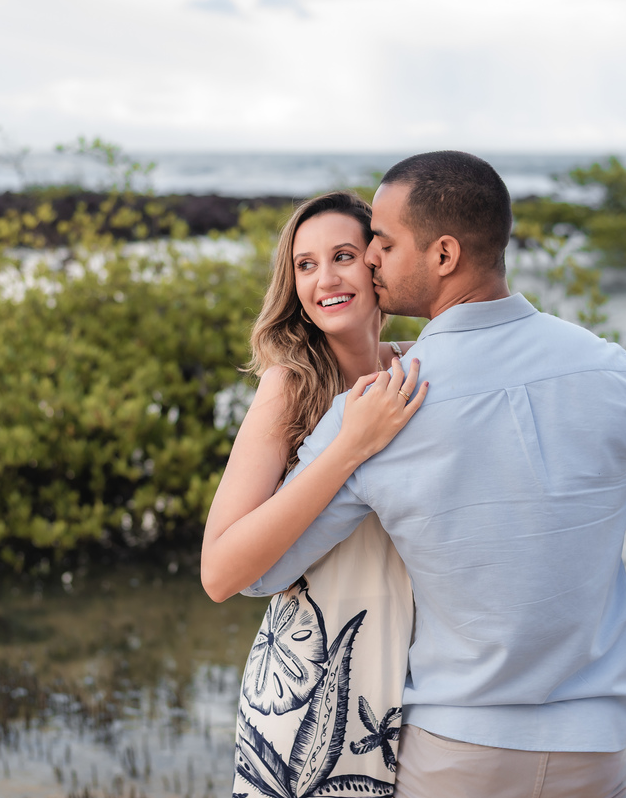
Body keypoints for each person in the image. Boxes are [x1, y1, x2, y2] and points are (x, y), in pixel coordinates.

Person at [244, 152, 626, 798]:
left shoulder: (381, 406)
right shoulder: (613, 370)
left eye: (383, 240)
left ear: (444, 255)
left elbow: (260, 572)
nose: (370, 256)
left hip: (457, 754)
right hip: (598, 746)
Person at [200, 191, 426, 797]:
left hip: (420, 700)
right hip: (309, 703)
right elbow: (219, 574)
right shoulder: (289, 388)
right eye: (304, 264)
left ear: (379, 263)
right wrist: (348, 447)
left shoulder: (423, 371)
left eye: (344, 256)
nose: (324, 278)